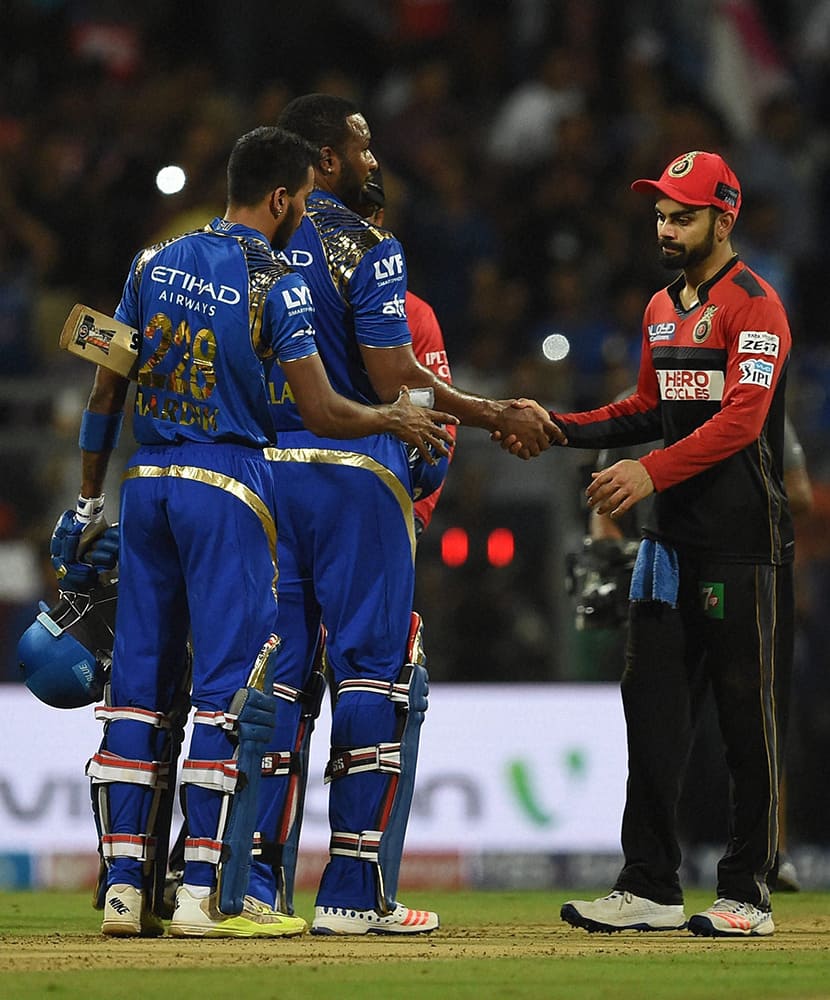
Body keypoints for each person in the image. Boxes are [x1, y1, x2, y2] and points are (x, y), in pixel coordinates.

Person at [50, 125, 456, 940]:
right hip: (227, 491)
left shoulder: (149, 261)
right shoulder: (278, 282)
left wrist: (87, 503)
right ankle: (202, 892)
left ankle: (126, 886)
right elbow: (320, 411)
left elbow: (101, 386)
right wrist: (391, 422)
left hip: (145, 486)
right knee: (227, 692)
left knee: (134, 686)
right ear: (281, 197)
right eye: (302, 200)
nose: (303, 213)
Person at [246, 93, 559, 936]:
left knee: (272, 678)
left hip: (262, 479)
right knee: (373, 677)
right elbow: (395, 379)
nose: (376, 159)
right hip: (356, 476)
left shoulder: (233, 250)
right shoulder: (371, 248)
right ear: (322, 159)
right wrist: (493, 414)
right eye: (363, 146)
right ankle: (351, 893)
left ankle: (247, 889)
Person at [510, 150, 794, 937]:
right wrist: (560, 427)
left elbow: (741, 420)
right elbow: (644, 405)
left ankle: (747, 892)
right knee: (655, 716)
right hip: (666, 547)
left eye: (683, 216)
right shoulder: (661, 309)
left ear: (723, 217)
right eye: (661, 216)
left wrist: (648, 474)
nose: (666, 229)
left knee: (747, 720)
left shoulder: (756, 306)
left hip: (743, 546)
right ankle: (650, 887)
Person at [358, 165, 456, 538]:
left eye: (360, 215)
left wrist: (416, 512)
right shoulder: (288, 296)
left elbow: (436, 417)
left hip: (379, 504)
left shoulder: (414, 314)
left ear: (378, 218)